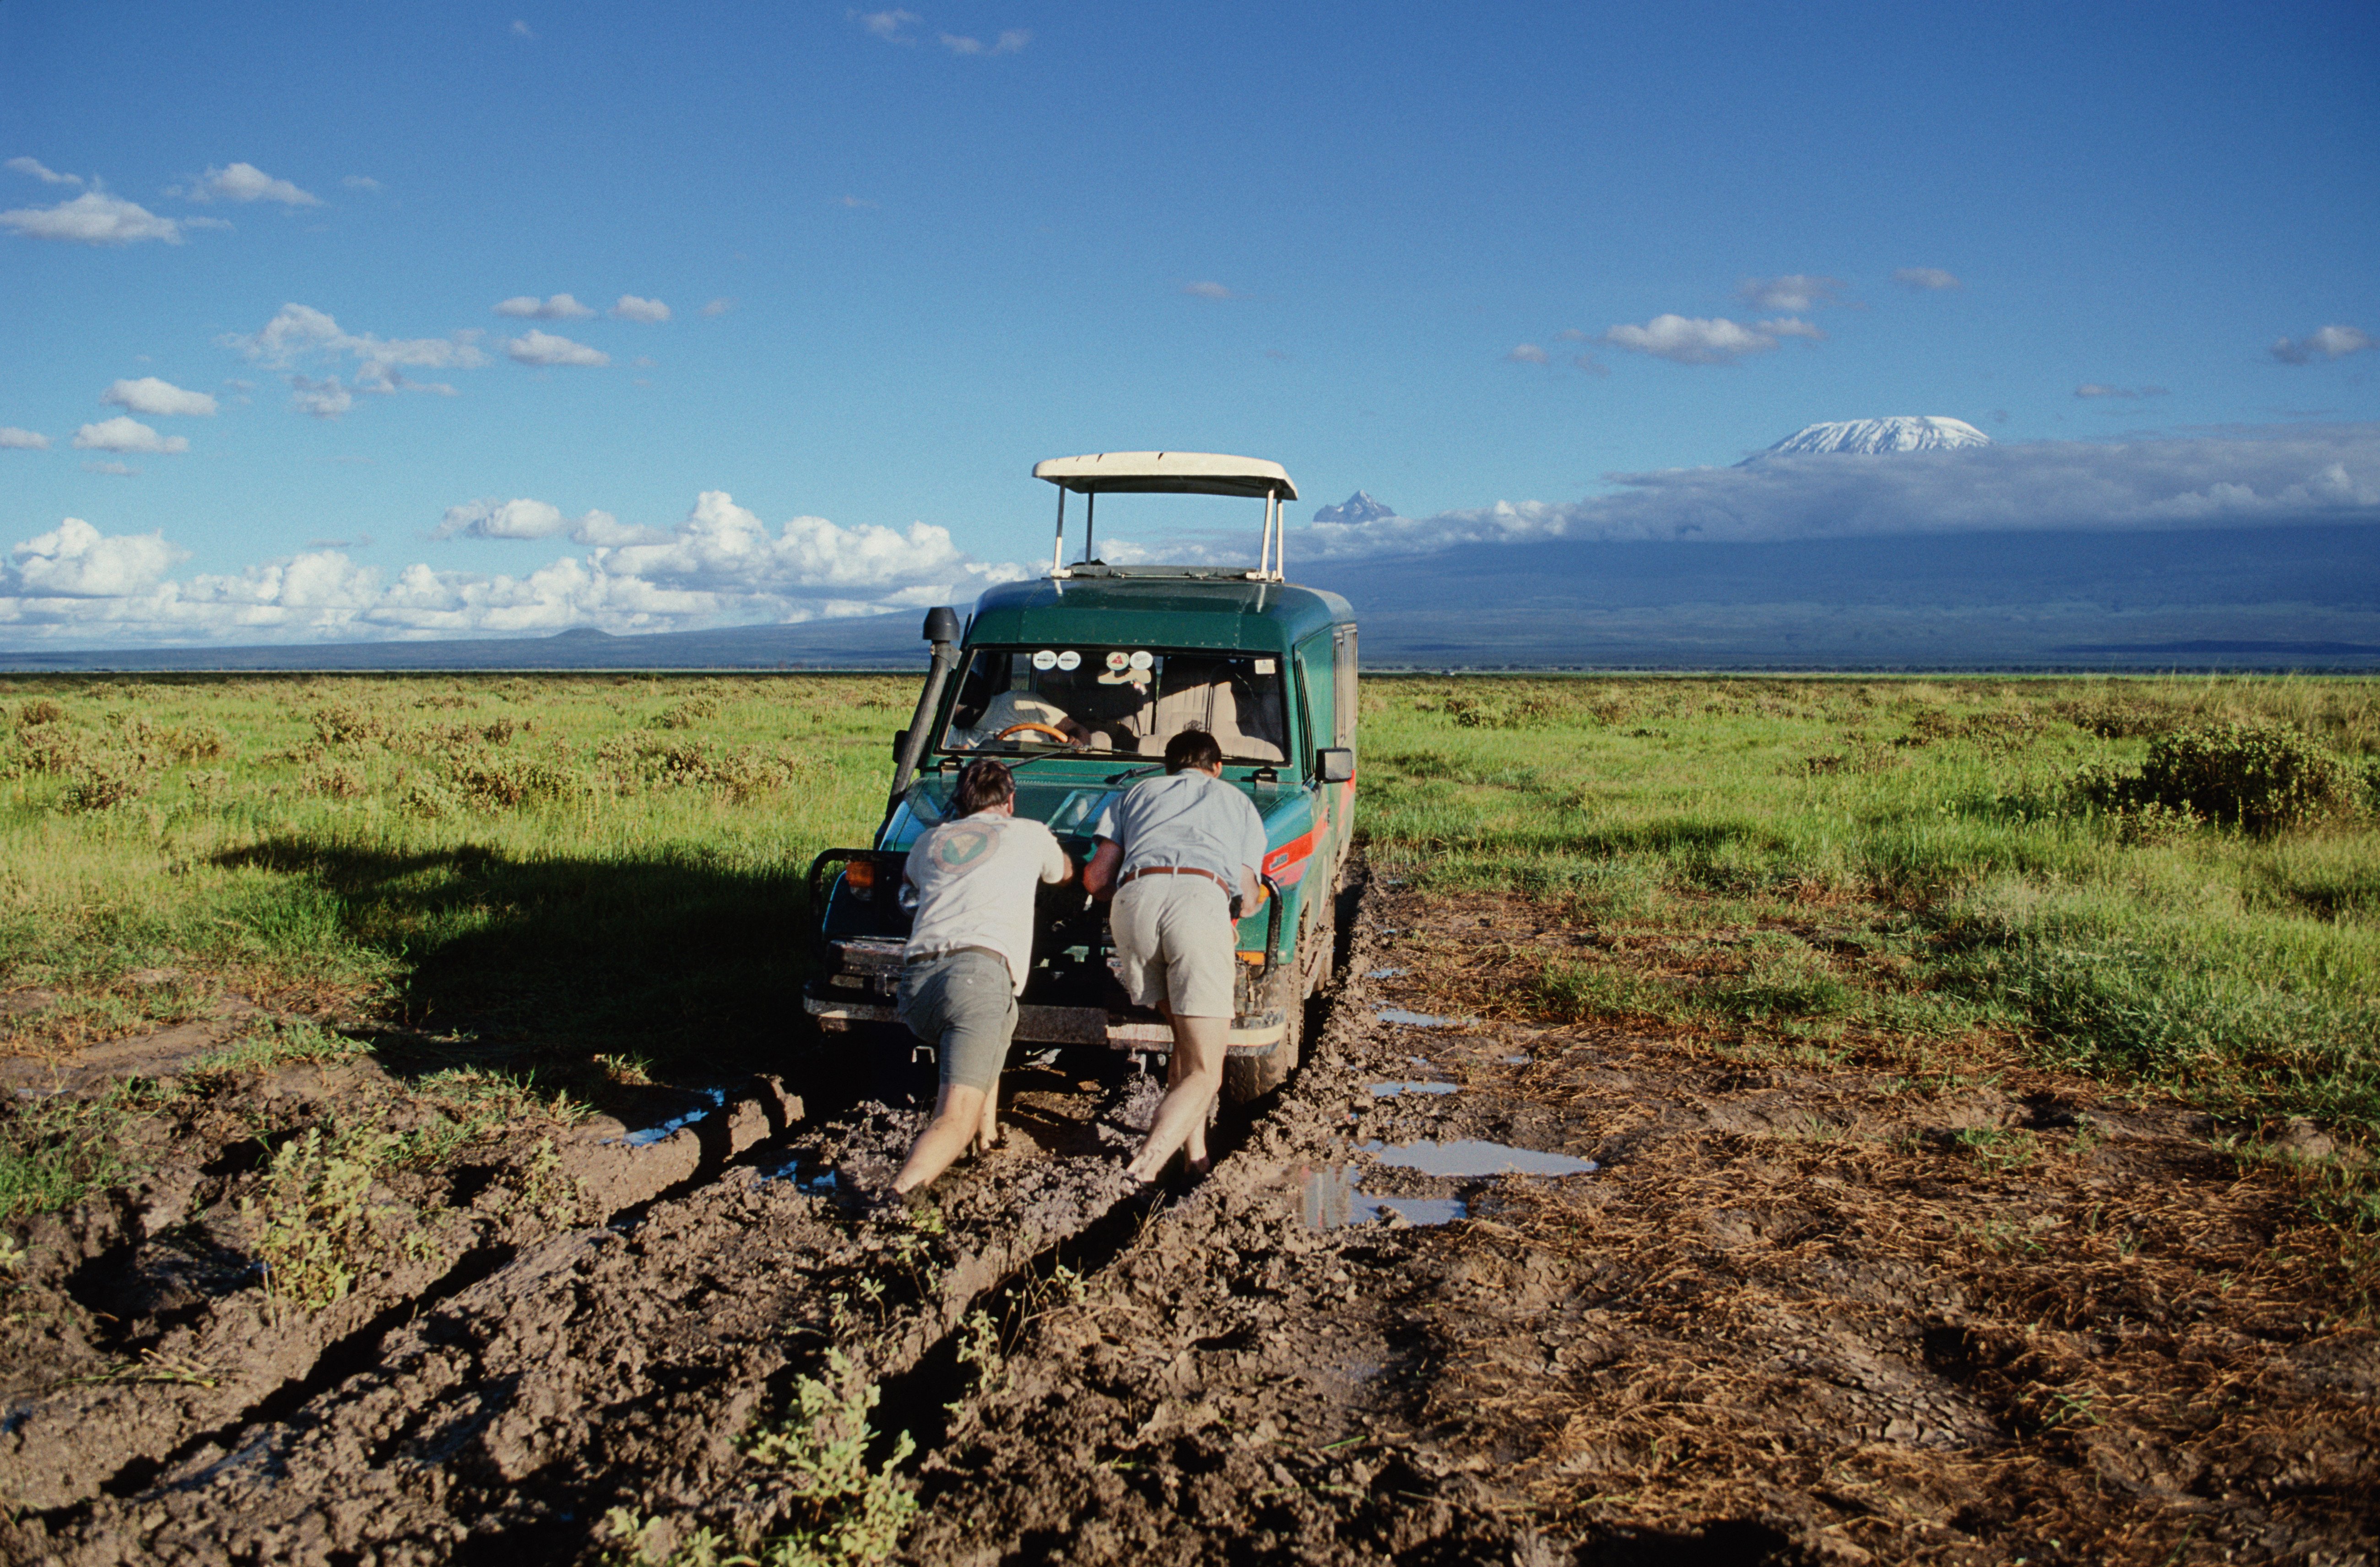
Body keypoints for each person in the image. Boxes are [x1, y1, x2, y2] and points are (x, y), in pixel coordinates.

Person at [1082, 728, 1269, 1189]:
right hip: (1198, 902)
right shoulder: (1237, 802)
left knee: (1186, 1045)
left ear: (1168, 766)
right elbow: (1246, 898)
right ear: (1217, 766)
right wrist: (1252, 902)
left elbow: (1095, 878)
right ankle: (1143, 1168)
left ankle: (1196, 1157)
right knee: (1208, 1071)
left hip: (1134, 902)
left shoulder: (1136, 792)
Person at [888, 757, 1073, 1196]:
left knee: (991, 1033)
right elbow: (1062, 873)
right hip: (976, 978)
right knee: (954, 1117)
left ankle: (987, 1137)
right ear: (1011, 801)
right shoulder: (1030, 832)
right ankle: (895, 1198)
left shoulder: (929, 840)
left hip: (917, 983)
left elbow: (910, 882)